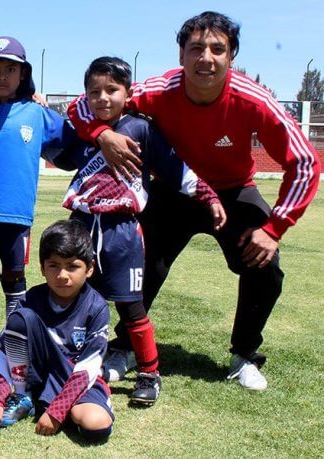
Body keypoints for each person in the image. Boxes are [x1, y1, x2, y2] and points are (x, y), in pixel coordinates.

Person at [67, 11, 321, 390]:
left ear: (232, 57)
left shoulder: (254, 99)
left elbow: (304, 162)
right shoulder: (154, 90)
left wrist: (275, 228)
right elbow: (84, 105)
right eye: (196, 48)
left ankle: (244, 353)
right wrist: (103, 133)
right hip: (173, 192)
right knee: (139, 258)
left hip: (234, 190)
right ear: (181, 55)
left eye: (218, 49)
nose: (206, 58)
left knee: (265, 264)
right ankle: (126, 346)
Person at [57, 56, 225, 404]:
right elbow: (69, 130)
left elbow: (175, 169)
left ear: (128, 93)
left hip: (123, 231)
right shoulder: (85, 126)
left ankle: (149, 373)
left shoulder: (141, 128)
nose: (102, 98)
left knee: (131, 307)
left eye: (111, 90)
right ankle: (75, 365)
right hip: (81, 225)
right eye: (94, 92)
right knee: (76, 302)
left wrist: (208, 196)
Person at [0, 36, 71, 358]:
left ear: (24, 75)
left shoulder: (38, 114)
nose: (3, 76)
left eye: (11, 69)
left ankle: (15, 341)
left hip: (17, 215)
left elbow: (74, 134)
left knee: (14, 277)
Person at [0, 220, 113, 442]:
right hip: (37, 377)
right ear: (43, 268)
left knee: (96, 425)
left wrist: (58, 411)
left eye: (73, 266)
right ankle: (23, 396)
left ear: (89, 269)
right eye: (54, 265)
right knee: (21, 319)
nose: (62, 275)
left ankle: (52, 404)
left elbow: (89, 366)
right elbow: (2, 353)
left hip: (73, 378)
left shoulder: (96, 307)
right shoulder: (31, 299)